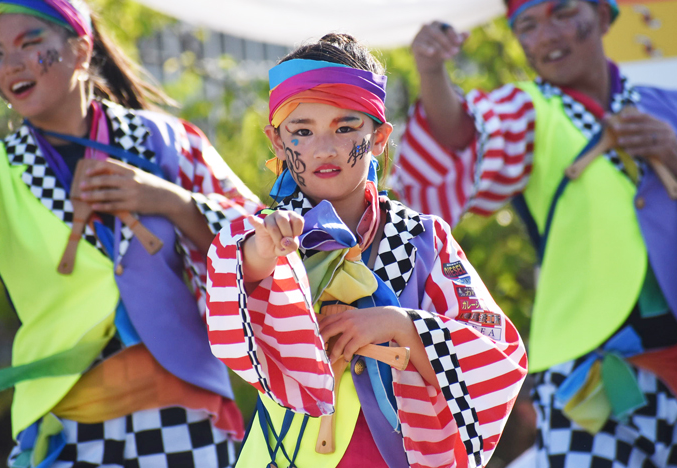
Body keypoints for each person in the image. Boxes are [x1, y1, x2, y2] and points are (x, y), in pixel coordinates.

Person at [205, 33, 527, 468]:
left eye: (345, 127)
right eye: (302, 131)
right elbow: (236, 292)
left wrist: (400, 325)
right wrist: (265, 251)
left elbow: (498, 357)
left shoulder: (423, 239)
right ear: (278, 143)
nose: (325, 147)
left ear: (378, 138)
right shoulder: (264, 235)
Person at [391, 0, 677, 466]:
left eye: (562, 13)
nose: (545, 35)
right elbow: (462, 133)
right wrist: (431, 71)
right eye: (527, 25)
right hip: (590, 375)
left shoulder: (666, 106)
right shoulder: (529, 110)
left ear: (603, 17)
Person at [0, 1, 262, 466]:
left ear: (81, 50)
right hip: (66, 425)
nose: (10, 65)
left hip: (183, 414)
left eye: (30, 45)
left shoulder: (169, 142)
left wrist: (172, 200)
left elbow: (267, 241)